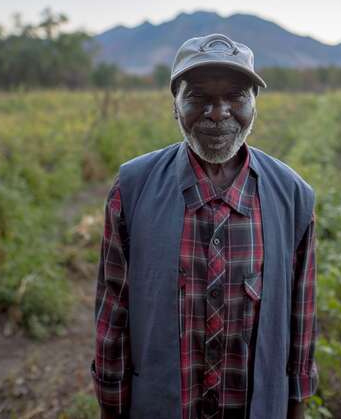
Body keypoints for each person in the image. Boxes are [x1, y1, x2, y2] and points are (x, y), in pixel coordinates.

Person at [91, 33, 318, 419]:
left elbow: (302, 318)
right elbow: (113, 311)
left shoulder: (293, 195)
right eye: (199, 96)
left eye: (235, 96)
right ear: (174, 105)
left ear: (254, 105)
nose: (218, 112)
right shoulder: (133, 188)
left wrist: (295, 407)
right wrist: (111, 405)